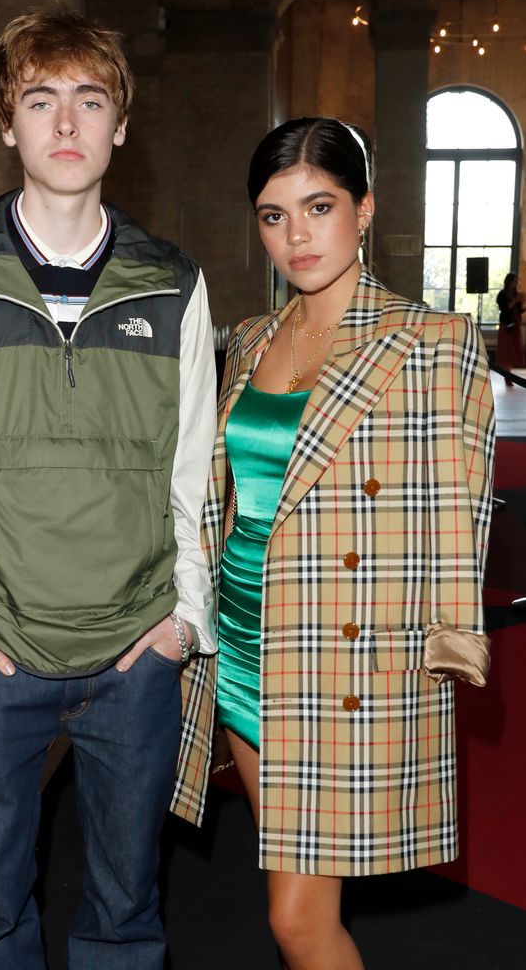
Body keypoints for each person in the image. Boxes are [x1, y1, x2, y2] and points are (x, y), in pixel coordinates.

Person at [0, 0, 217, 970]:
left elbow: (189, 473)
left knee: (123, 913)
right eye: (40, 100)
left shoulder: (171, 283)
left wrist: (181, 619)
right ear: (5, 121)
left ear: (121, 122)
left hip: (134, 658)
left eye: (89, 100)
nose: (66, 125)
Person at [200, 117, 495, 969]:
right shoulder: (250, 339)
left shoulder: (429, 343)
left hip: (338, 664)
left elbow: (457, 511)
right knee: (292, 908)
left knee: (297, 921)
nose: (295, 235)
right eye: (271, 215)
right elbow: (229, 499)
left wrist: (440, 649)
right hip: (243, 651)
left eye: (317, 206)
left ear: (364, 210)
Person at [495, 270, 524, 385]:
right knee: (506, 351)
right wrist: (516, 300)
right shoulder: (502, 295)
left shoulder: (517, 294)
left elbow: (519, 310)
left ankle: (509, 375)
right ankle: (507, 376)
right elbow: (505, 308)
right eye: (513, 281)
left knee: (513, 351)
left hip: (515, 325)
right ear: (508, 282)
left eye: (516, 281)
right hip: (506, 325)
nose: (515, 284)